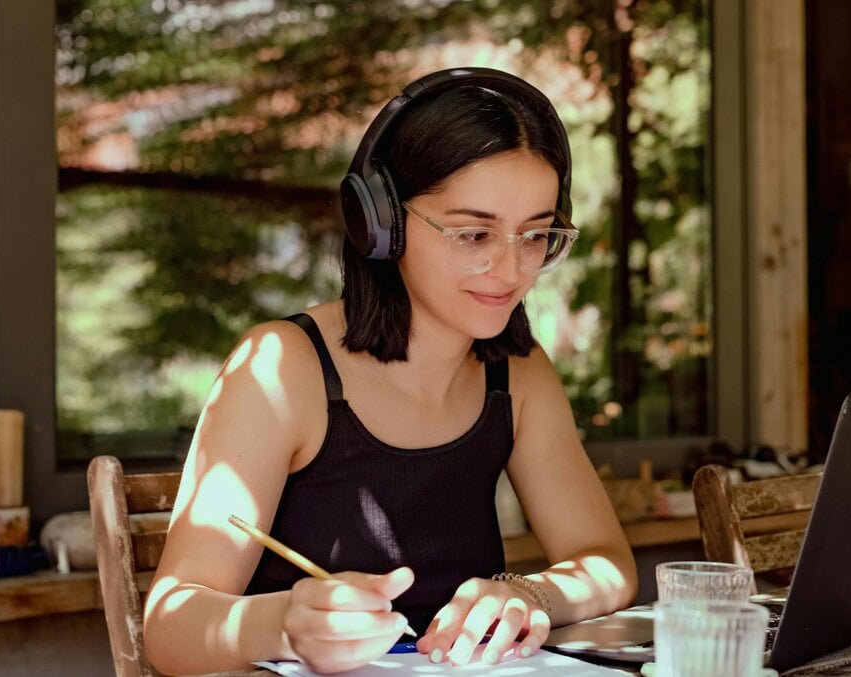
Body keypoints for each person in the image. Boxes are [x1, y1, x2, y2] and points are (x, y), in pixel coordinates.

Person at [143, 66, 638, 675]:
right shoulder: (281, 369)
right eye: (474, 233)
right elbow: (168, 629)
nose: (512, 271)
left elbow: (606, 561)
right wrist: (283, 625)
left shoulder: (519, 374)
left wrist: (532, 594)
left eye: (535, 235)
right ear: (381, 222)